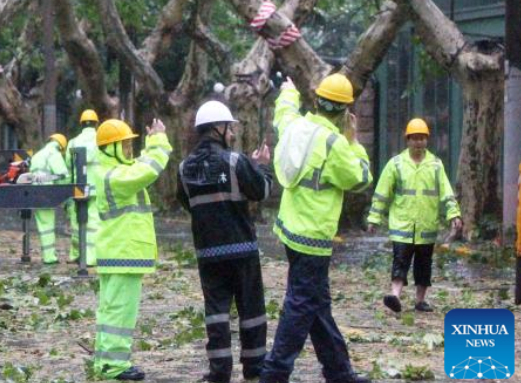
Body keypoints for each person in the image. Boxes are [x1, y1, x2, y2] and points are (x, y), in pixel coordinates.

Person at [260, 74, 373, 383]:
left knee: (316, 304)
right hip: (313, 237)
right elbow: (361, 178)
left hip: (290, 229)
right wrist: (354, 141)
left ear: (317, 101)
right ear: (344, 110)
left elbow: (283, 112)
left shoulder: (295, 126)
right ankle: (274, 373)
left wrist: (288, 90)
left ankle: (339, 372)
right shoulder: (335, 143)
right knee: (300, 306)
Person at [177, 101, 274, 383]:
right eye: (229, 127)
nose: (232, 133)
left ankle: (219, 372)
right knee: (252, 311)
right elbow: (261, 191)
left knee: (216, 313)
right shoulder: (235, 161)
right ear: (218, 128)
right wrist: (263, 167)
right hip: (242, 249)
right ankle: (255, 368)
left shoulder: (184, 169)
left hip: (208, 252)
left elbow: (188, 203)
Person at [93, 117, 172, 381]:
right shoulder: (115, 176)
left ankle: (105, 362)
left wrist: (149, 144)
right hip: (122, 254)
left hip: (118, 253)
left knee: (111, 310)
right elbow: (148, 170)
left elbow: (139, 166)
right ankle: (114, 366)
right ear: (111, 147)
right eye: (124, 144)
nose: (129, 149)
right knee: (120, 313)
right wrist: (159, 141)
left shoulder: (113, 171)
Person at [366, 117, 462, 314]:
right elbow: (382, 193)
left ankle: (420, 300)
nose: (418, 142)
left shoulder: (435, 165)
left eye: (422, 138)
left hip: (427, 226)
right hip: (402, 225)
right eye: (414, 138)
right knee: (400, 260)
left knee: (423, 265)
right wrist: (374, 218)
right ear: (407, 140)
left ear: (427, 140)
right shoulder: (396, 164)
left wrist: (454, 214)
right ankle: (395, 295)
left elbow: (446, 191)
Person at [66, 109, 102, 266]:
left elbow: (68, 165)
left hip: (78, 186)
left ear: (81, 124)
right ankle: (91, 258)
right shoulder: (101, 140)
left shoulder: (73, 142)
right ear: (96, 123)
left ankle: (76, 255)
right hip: (97, 186)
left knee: (77, 222)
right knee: (94, 222)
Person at [29, 133, 71, 264]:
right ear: (61, 147)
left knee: (43, 226)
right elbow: (63, 176)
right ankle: (49, 258)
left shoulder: (38, 154)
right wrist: (66, 196)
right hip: (46, 193)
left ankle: (47, 255)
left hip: (34, 192)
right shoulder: (54, 154)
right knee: (48, 226)